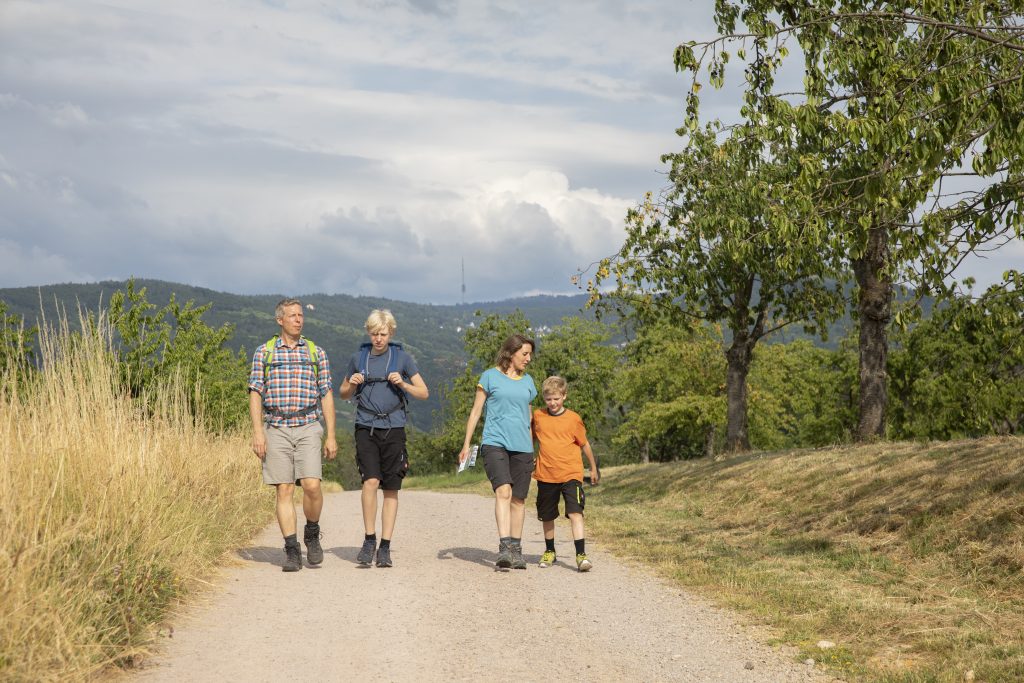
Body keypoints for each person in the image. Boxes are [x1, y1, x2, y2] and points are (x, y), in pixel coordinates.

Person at [248, 298, 337, 572]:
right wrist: (257, 432)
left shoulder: (315, 352)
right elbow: (255, 393)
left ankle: (311, 532)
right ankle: (291, 550)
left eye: (300, 315)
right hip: (276, 427)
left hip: (309, 424)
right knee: (284, 488)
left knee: (311, 485)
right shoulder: (264, 353)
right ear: (280, 320)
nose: (298, 319)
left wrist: (331, 434)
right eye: (292, 315)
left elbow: (326, 394)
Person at [339, 309, 428, 568]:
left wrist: (403, 384)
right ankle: (369, 540)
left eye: (383, 334)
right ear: (368, 332)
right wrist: (352, 383)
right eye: (375, 333)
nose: (379, 338)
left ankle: (385, 546)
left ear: (391, 333)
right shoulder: (358, 358)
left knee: (391, 487)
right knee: (370, 481)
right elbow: (343, 393)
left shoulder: (402, 358)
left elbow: (423, 392)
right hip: (365, 426)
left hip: (395, 427)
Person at [458, 333, 537, 570]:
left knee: (519, 499)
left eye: (530, 354)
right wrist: (466, 444)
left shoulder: (528, 382)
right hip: (495, 442)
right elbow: (475, 412)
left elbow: (529, 416)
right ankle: (504, 548)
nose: (529, 358)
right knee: (503, 491)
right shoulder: (489, 376)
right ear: (511, 353)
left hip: (523, 446)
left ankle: (516, 548)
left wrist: (535, 449)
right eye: (524, 354)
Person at [532, 376, 599, 572]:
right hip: (546, 474)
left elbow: (584, 444)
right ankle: (550, 551)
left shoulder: (573, 419)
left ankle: (581, 555)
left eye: (556, 398)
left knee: (575, 511)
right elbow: (530, 438)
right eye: (548, 399)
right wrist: (528, 458)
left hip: (571, 473)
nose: (552, 403)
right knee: (547, 515)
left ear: (564, 396)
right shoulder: (538, 416)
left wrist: (593, 468)